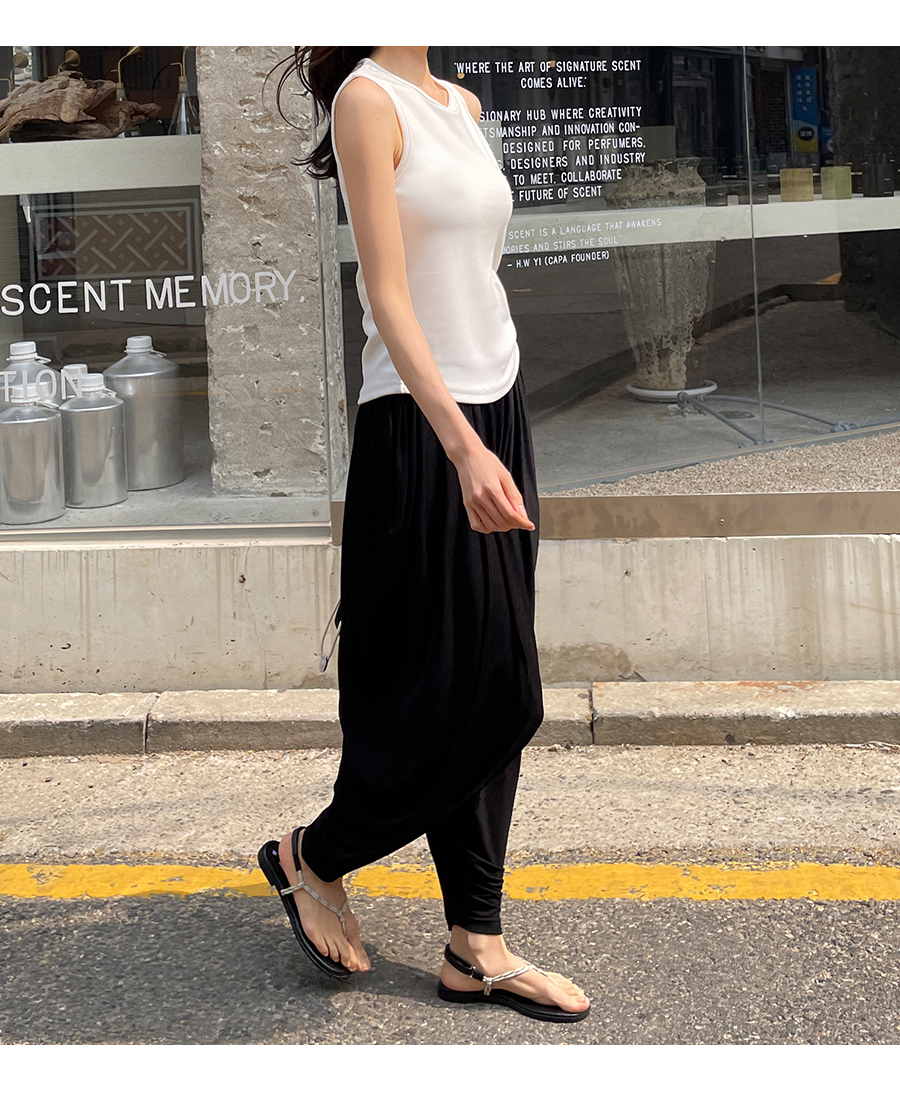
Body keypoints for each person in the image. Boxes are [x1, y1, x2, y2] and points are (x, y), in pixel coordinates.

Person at [258, 46, 590, 1023]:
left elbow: (470, 273)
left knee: (488, 677)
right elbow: (387, 294)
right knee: (486, 689)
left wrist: (491, 429)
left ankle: (473, 944)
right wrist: (460, 446)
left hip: (495, 409)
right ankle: (315, 854)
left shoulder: (462, 103)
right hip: (421, 425)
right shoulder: (368, 100)